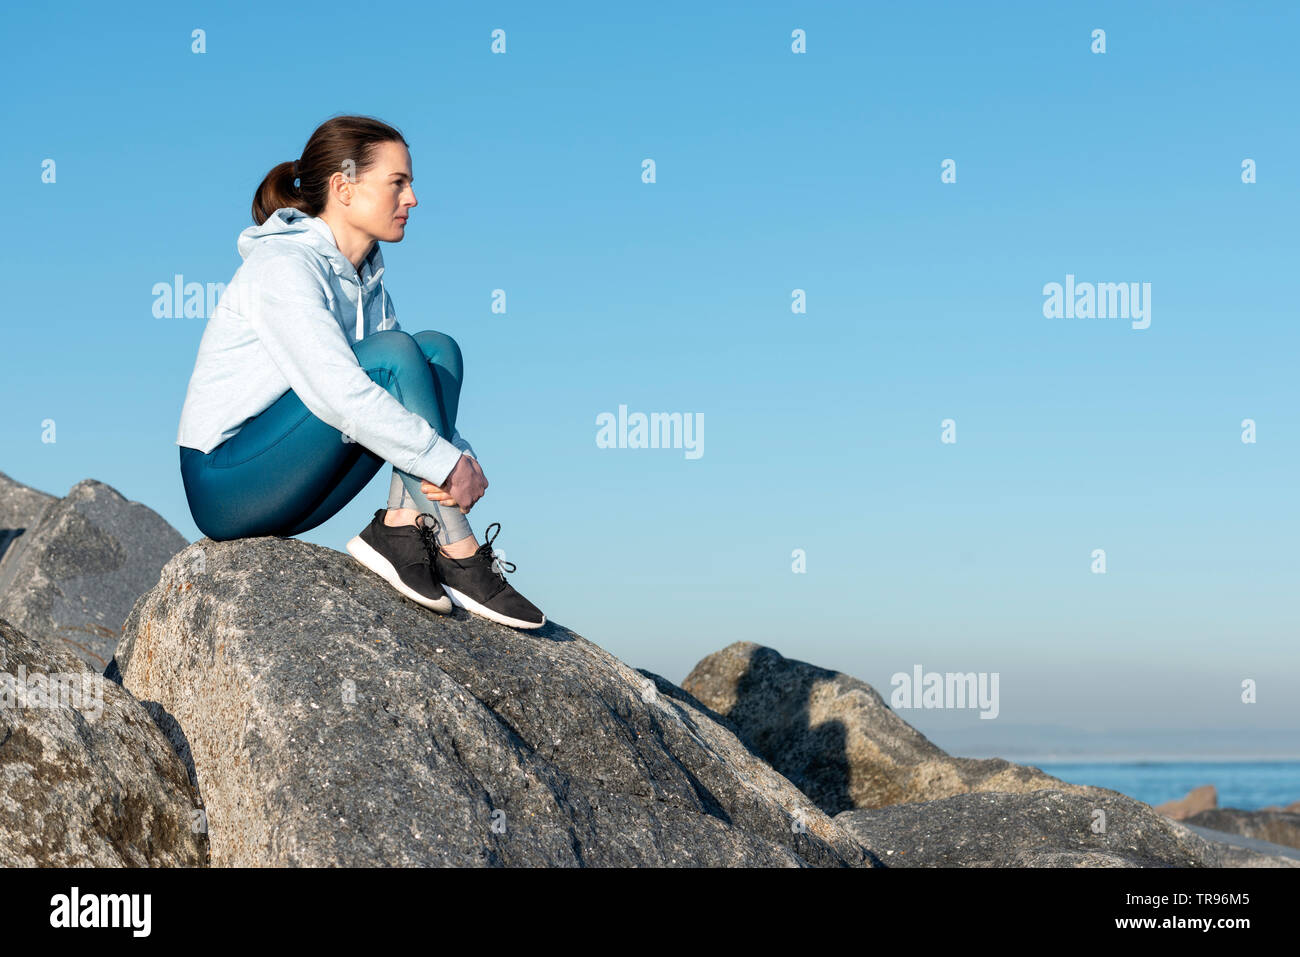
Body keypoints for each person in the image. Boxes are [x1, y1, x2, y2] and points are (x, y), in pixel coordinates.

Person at [175, 114, 544, 630]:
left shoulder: (368, 284)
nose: (412, 198)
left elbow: (410, 399)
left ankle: (401, 526)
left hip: (298, 478)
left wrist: (458, 457)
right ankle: (459, 550)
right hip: (228, 482)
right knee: (394, 355)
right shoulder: (282, 265)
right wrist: (445, 464)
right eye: (398, 183)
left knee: (437, 351)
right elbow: (338, 394)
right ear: (343, 189)